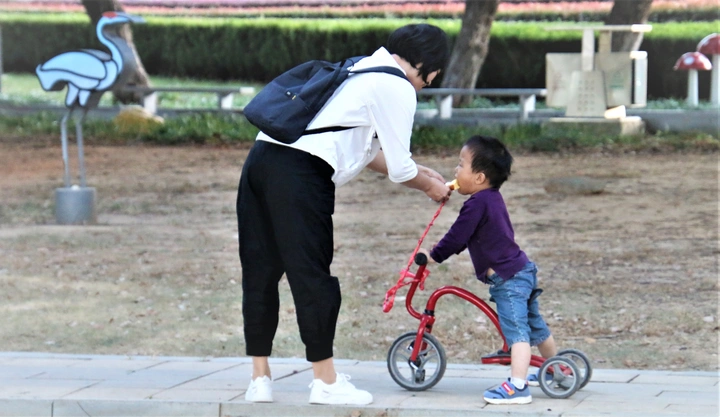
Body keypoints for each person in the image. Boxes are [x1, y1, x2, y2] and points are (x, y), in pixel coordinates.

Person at [236, 23, 450, 406]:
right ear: (429, 65)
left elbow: (361, 148)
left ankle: (260, 380)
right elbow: (401, 169)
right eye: (433, 75)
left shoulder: (360, 67)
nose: (429, 83)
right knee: (312, 276)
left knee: (260, 272)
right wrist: (428, 186)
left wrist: (422, 172)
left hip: (261, 160)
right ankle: (326, 382)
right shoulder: (397, 85)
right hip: (300, 175)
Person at [418, 135, 558, 405]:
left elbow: (457, 237)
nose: (456, 170)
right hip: (521, 270)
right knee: (535, 325)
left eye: (461, 165)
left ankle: (518, 387)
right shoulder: (491, 199)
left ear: (479, 177)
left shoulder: (476, 203)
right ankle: (557, 369)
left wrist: (433, 256)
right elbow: (465, 236)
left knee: (516, 331)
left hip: (509, 279)